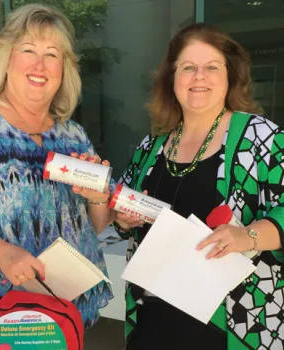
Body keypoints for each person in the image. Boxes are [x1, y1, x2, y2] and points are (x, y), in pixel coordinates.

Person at [0, 4, 113, 350]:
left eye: (52, 54)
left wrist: (97, 195)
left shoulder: (73, 136)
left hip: (62, 297)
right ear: (6, 60)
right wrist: (3, 254)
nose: (40, 65)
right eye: (28, 50)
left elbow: (96, 224)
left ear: (64, 69)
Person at [113, 23, 284, 350]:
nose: (199, 76)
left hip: (232, 325)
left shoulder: (263, 138)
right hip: (154, 319)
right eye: (188, 67)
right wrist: (123, 218)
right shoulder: (151, 146)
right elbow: (124, 215)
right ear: (172, 79)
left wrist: (247, 235)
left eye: (211, 67)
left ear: (230, 76)